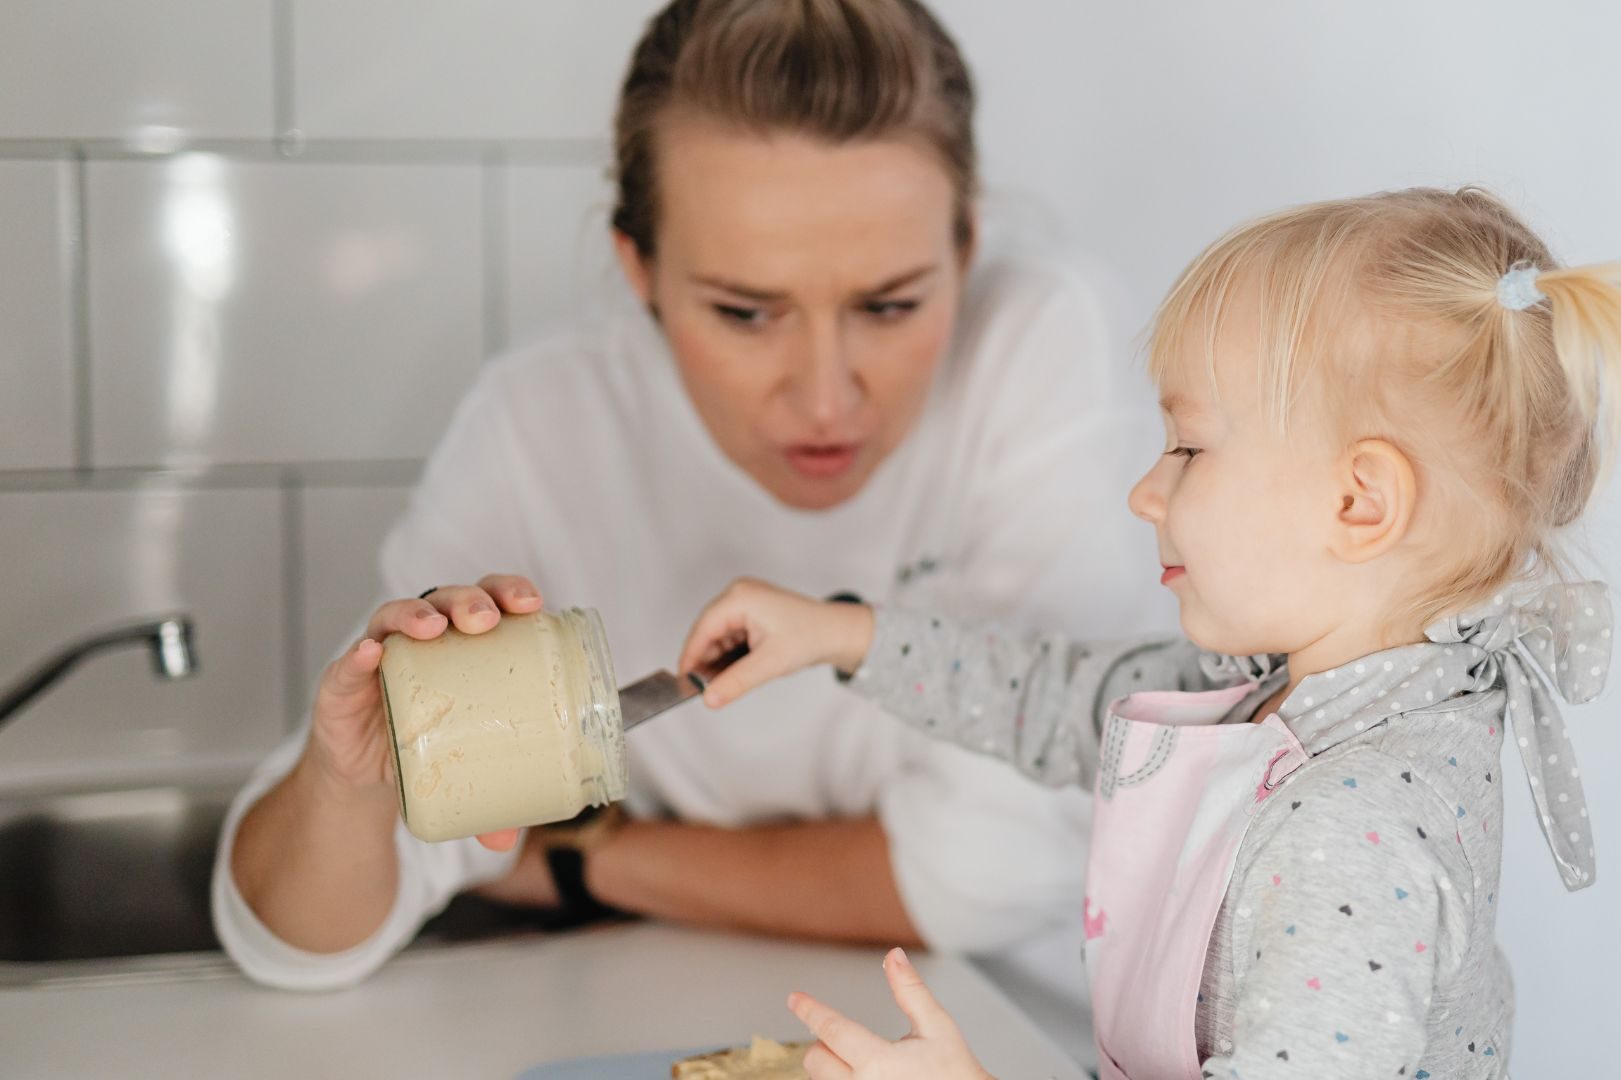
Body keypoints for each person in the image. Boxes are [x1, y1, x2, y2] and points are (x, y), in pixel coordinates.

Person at [212, 0, 1162, 1037]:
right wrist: (350, 786)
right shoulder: (544, 427)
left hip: (1015, 1030)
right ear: (641, 272)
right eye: (745, 314)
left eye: (890, 305)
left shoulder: (1041, 344)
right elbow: (294, 943)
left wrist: (578, 858)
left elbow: (993, 871)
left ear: (967, 248)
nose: (826, 400)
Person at [677, 187, 1621, 1078]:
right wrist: (839, 635)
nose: (1146, 491)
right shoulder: (1270, 697)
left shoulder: (1347, 830)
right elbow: (1052, 696)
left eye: (1188, 448)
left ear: (1359, 503)